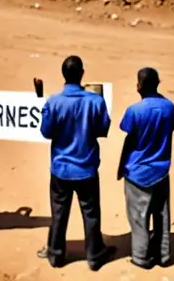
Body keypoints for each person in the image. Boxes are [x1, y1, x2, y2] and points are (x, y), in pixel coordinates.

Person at [36, 56, 115, 271]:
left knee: (59, 212)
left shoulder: (53, 102)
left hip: (61, 168)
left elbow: (46, 132)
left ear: (64, 75)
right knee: (90, 213)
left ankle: (55, 254)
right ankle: (95, 255)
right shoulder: (95, 101)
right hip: (86, 168)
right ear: (82, 73)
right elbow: (103, 129)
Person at [118, 68, 174, 269]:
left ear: (140, 86)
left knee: (138, 218)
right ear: (158, 83)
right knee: (161, 215)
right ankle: (163, 253)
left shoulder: (134, 110)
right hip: (161, 170)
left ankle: (141, 257)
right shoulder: (170, 107)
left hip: (137, 173)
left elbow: (127, 132)